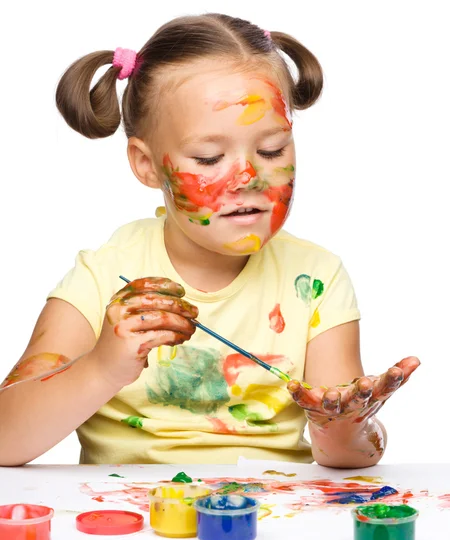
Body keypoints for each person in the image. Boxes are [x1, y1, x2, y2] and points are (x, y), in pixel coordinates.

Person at [0, 13, 419, 468]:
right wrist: (101, 368)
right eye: (209, 157)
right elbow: (5, 440)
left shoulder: (315, 279)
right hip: (129, 522)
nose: (248, 177)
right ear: (145, 164)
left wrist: (343, 423)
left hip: (272, 520)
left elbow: (344, 457)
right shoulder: (103, 275)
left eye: (272, 149)